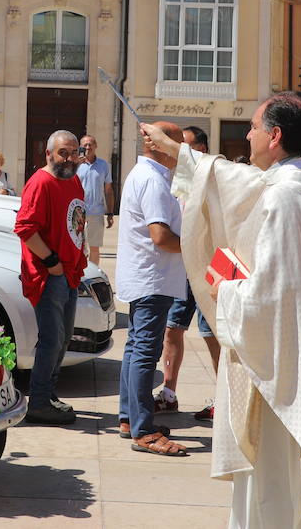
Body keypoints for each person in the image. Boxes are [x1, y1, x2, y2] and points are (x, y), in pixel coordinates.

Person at [144, 94, 301, 528]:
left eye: (254, 127)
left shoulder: (284, 198)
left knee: (278, 483)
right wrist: (178, 154)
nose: (248, 134)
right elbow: (232, 179)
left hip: (284, 367)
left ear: (275, 136)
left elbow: (268, 297)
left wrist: (226, 286)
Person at [115, 122, 189, 456]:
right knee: (144, 352)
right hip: (152, 279)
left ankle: (130, 418)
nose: (182, 151)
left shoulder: (148, 175)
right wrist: (195, 246)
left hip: (148, 277)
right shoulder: (153, 179)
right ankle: (143, 430)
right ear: (160, 144)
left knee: (136, 350)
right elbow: (161, 236)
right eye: (178, 143)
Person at [13, 130, 88, 425]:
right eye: (63, 153)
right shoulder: (41, 182)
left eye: (74, 152)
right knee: (51, 339)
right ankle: (40, 402)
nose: (69, 159)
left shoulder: (74, 179)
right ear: (48, 154)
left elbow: (77, 221)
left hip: (68, 273)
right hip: (49, 275)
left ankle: (49, 395)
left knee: (63, 338)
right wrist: (52, 261)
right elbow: (25, 228)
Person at [158, 125, 221, 420]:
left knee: (213, 334)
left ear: (202, 150)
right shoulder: (174, 179)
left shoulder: (217, 179)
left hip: (209, 268)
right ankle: (168, 394)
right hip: (181, 268)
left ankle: (225, 399)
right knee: (173, 329)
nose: (179, 151)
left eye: (186, 146)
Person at [75, 135, 115, 267]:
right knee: (76, 246)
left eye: (90, 144)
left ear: (96, 146)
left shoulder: (104, 165)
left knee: (94, 248)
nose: (88, 147)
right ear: (80, 147)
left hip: (96, 212)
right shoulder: (74, 165)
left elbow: (108, 189)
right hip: (77, 212)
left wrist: (110, 213)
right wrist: (75, 165)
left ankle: (92, 274)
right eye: (85, 145)